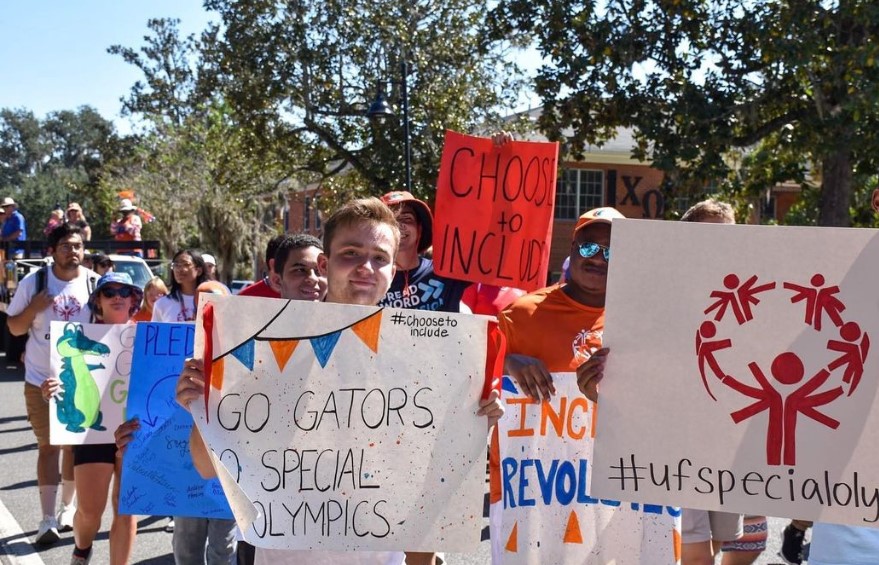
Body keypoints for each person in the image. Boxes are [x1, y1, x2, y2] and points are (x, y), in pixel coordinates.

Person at [173, 199, 502, 565]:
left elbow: (432, 483)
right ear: (325, 265)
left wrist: (477, 418)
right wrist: (203, 404)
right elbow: (205, 466)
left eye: (380, 257)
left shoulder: (423, 361)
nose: (366, 267)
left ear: (393, 270)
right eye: (351, 253)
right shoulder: (264, 347)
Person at [6, 223, 98, 544]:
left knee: (73, 446)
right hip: (39, 380)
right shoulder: (35, 283)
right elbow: (15, 329)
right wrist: (34, 308)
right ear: (52, 251)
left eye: (77, 246)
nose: (73, 252)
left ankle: (67, 509)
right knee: (48, 447)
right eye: (66, 247)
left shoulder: (94, 283)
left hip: (80, 383)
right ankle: (47, 520)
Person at [43, 272, 143, 565]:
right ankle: (82, 549)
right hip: (92, 433)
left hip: (135, 432)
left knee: (126, 507)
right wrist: (51, 390)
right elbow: (64, 382)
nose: (117, 296)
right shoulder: (76, 338)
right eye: (109, 291)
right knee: (89, 511)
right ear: (98, 300)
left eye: (124, 291)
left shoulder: (148, 336)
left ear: (133, 299)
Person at [678, 199, 751, 565]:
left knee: (719, 538)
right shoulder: (665, 290)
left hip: (727, 437)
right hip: (678, 438)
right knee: (693, 544)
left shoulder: (747, 294)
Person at [376, 191, 470, 312]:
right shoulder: (370, 278)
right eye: (391, 221)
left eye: (407, 218)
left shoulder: (446, 272)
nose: (399, 225)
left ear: (419, 229)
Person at [152, 250, 207, 322]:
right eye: (176, 265)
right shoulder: (162, 304)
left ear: (199, 270)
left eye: (186, 264)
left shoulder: (211, 301)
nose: (179, 269)